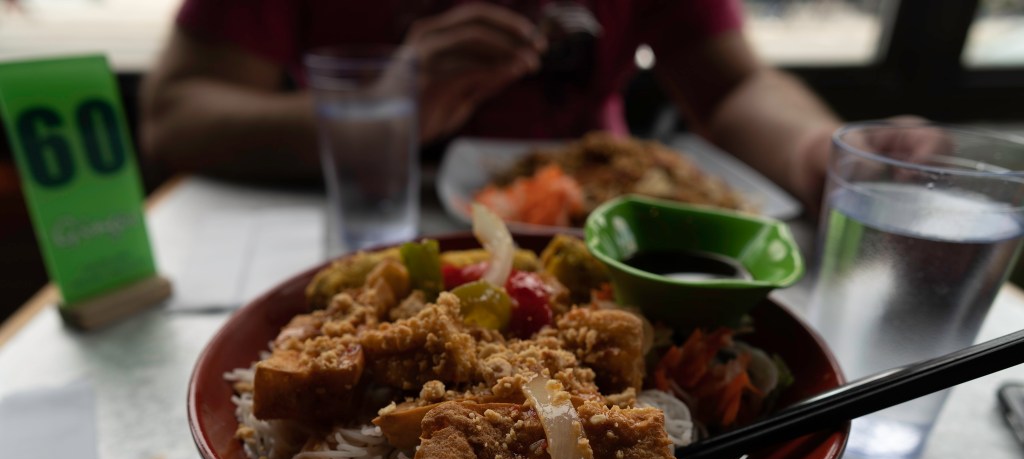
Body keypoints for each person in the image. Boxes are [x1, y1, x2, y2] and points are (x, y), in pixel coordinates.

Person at [139, 1, 845, 213]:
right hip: (373, 216)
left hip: (602, 235)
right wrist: (378, 114)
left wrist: (821, 151)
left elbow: (734, 88)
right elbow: (174, 116)